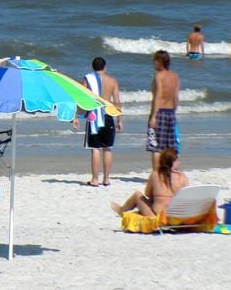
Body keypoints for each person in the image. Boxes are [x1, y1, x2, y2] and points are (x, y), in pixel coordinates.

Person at [74, 57, 122, 186]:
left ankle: (95, 179)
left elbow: (81, 98)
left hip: (94, 117)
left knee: (95, 148)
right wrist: (119, 119)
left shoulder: (88, 79)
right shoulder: (112, 81)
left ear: (92, 67)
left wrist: (76, 116)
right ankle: (106, 179)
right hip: (108, 116)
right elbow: (117, 102)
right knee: (107, 148)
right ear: (105, 67)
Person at [110, 148, 188, 217]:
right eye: (177, 160)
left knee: (137, 195)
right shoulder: (182, 177)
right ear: (173, 162)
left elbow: (147, 193)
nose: (179, 162)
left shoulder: (155, 174)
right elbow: (187, 197)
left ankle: (121, 210)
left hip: (156, 216)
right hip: (177, 215)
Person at [147, 50, 180, 171]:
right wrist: (173, 112)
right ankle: (172, 171)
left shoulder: (158, 76)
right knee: (170, 146)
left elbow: (158, 96)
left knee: (156, 146)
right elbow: (176, 97)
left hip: (159, 112)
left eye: (155, 61)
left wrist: (154, 116)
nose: (153, 63)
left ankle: (156, 173)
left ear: (160, 62)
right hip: (171, 112)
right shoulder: (175, 76)